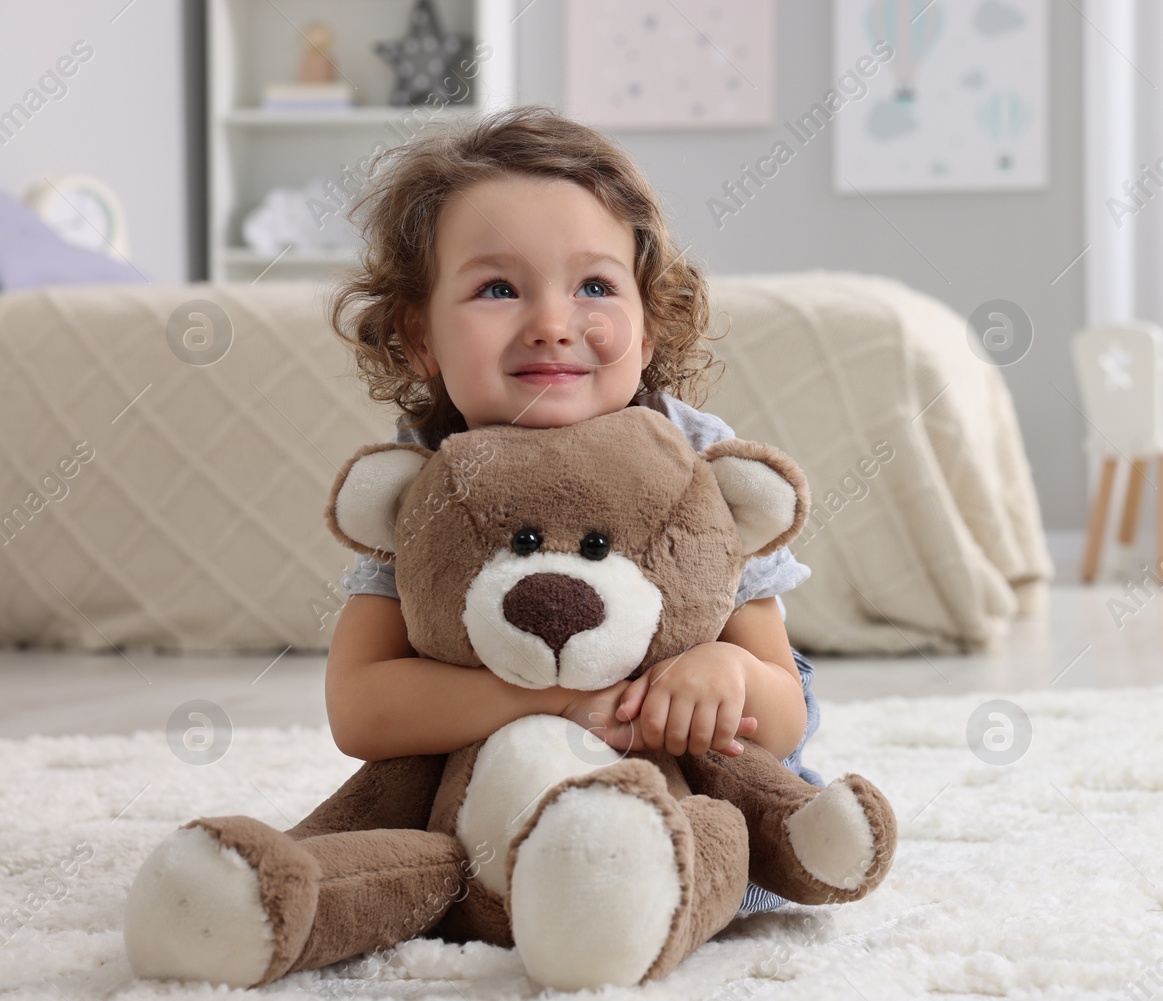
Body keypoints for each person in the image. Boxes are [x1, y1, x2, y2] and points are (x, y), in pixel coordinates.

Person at [325, 104, 822, 916]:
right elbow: (361, 705)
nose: (553, 325)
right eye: (497, 288)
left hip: (676, 768)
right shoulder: (424, 477)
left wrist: (723, 672)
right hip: (490, 775)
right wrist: (553, 704)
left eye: (594, 285)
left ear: (650, 326)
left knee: (753, 869)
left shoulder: (693, 457)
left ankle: (651, 890)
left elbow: (781, 713)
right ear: (421, 337)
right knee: (426, 871)